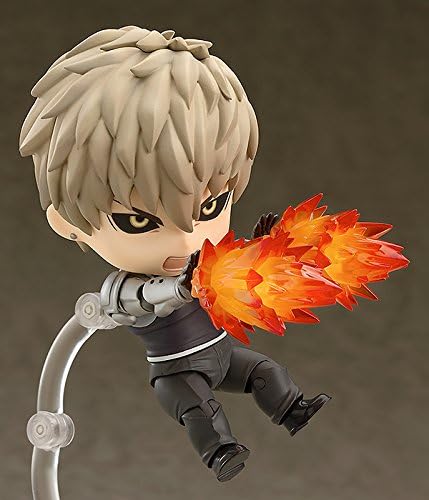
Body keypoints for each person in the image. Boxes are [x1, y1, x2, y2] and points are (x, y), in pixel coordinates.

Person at [19, 26, 330, 482]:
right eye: (139, 221)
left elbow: (245, 273)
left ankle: (292, 410)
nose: (186, 242)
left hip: (223, 353)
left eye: (210, 207)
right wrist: (182, 288)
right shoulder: (121, 290)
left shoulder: (206, 263)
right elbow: (143, 300)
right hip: (177, 373)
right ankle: (221, 453)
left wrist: (264, 244)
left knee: (268, 373)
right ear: (69, 224)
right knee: (201, 412)